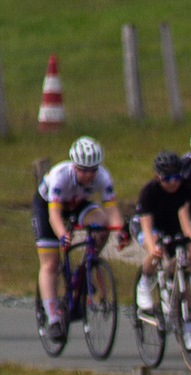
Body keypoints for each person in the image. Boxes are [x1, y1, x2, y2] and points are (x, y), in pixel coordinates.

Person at [34, 137, 126, 329]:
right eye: (83, 169)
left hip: (77, 203)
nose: (89, 174)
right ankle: (53, 318)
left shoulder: (103, 176)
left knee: (102, 225)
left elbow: (112, 210)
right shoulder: (60, 175)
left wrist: (120, 230)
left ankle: (85, 266)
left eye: (93, 169)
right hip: (48, 206)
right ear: (75, 166)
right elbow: (54, 216)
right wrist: (62, 235)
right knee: (50, 262)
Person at [131, 152, 191, 325]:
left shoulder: (187, 189)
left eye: (176, 177)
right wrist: (153, 248)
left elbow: (188, 220)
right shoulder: (149, 191)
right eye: (167, 178)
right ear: (157, 177)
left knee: (184, 253)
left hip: (170, 224)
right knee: (157, 249)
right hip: (147, 223)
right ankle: (144, 283)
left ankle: (171, 284)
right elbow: (146, 223)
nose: (173, 182)